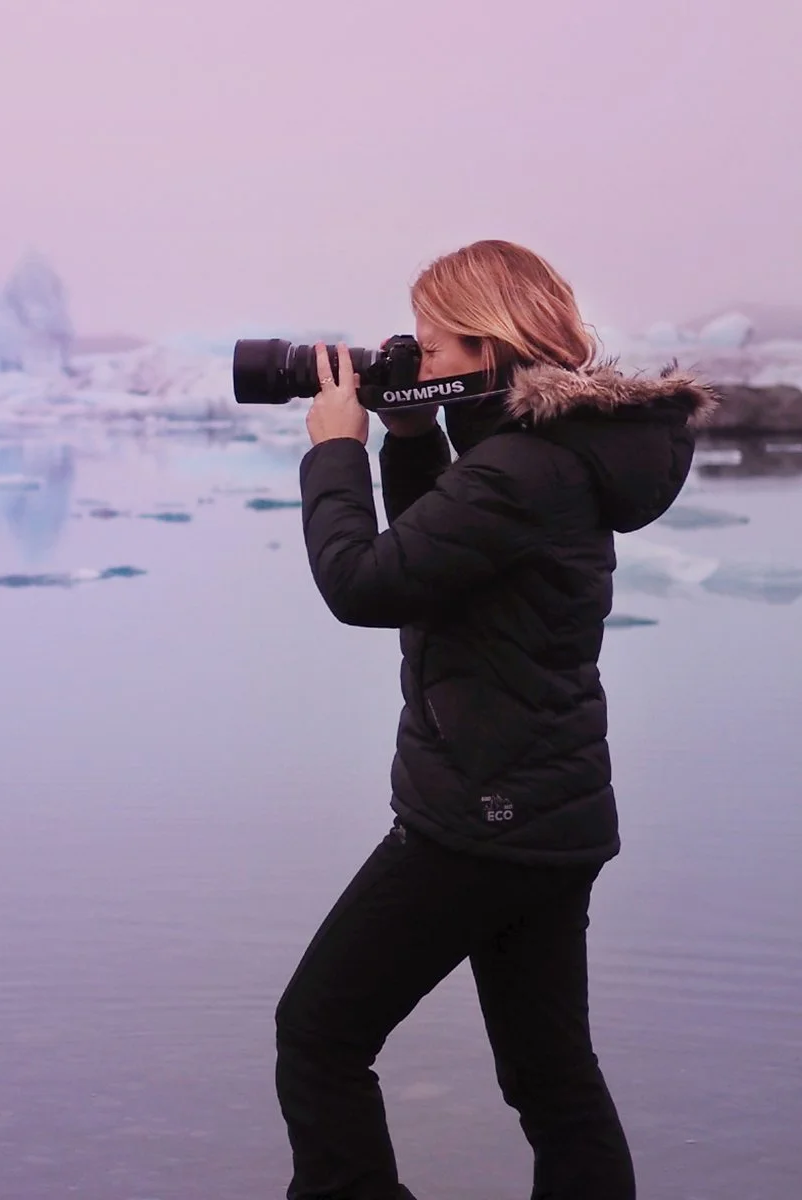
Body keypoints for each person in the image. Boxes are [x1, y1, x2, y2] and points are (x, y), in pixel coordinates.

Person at [275, 239, 717, 1200]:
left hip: (479, 818)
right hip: (546, 812)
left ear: (489, 345)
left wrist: (336, 451)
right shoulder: (550, 456)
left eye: (432, 347)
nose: (415, 359)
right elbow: (442, 560)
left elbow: (364, 584)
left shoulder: (519, 469)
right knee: (551, 1080)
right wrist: (407, 436)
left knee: (319, 1035)